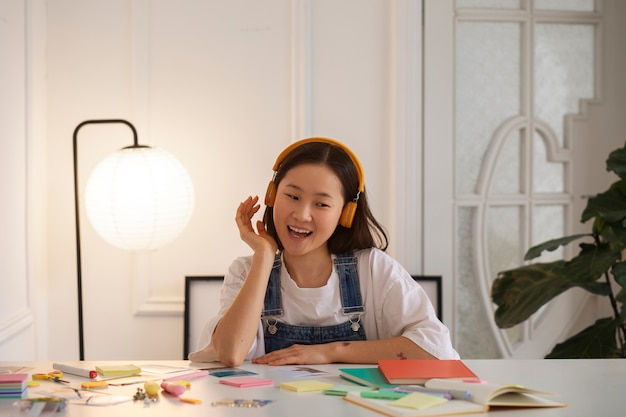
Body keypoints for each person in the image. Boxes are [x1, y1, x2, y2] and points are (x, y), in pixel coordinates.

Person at [189, 137, 458, 366]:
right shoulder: (246, 270)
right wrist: (263, 256)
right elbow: (231, 353)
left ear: (345, 213)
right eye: (292, 196)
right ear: (272, 195)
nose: (302, 214)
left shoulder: (374, 269)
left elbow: (436, 351)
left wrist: (330, 351)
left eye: (321, 204)